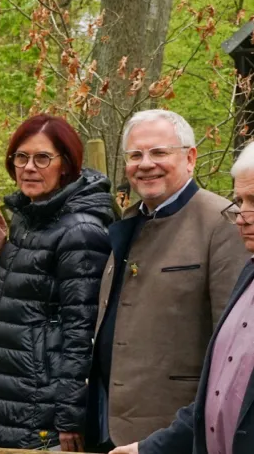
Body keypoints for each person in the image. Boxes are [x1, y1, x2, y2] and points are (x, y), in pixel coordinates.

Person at [86, 109, 250, 452]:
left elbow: (235, 347)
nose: (145, 164)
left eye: (159, 152)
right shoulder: (131, 222)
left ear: (190, 158)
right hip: (109, 425)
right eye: (135, 155)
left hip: (176, 432)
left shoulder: (225, 224)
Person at [0, 114, 115, 451]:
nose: (29, 167)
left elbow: (82, 331)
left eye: (42, 158)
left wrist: (68, 418)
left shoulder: (80, 230)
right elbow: (32, 296)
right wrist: (0, 254)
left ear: (65, 164)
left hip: (41, 403)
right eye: (21, 157)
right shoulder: (30, 216)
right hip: (11, 389)